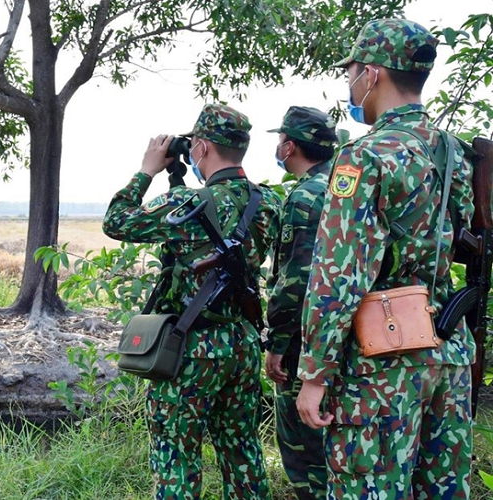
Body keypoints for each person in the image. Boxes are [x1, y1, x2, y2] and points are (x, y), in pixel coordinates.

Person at [295, 18, 475, 499]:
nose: (350, 83)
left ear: (372, 74)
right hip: (448, 347)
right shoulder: (453, 152)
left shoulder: (364, 156)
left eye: (351, 71)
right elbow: (465, 234)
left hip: (381, 361)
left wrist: (315, 373)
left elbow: (338, 273)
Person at [103, 103, 280, 499]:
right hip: (243, 344)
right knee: (243, 450)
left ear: (199, 148)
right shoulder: (267, 204)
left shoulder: (187, 204)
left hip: (191, 349)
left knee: (175, 455)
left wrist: (147, 170)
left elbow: (116, 221)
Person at [264, 106, 338, 500]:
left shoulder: (306, 195)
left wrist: (277, 344)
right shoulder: (349, 183)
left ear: (289, 146)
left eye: (280, 141)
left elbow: (297, 281)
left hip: (304, 344)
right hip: (346, 339)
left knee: (302, 449)